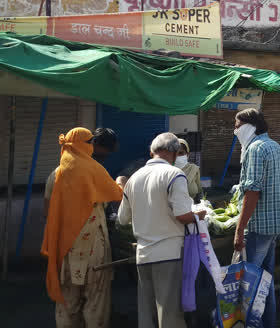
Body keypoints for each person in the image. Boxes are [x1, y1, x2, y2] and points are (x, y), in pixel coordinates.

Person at [117, 132, 204, 328]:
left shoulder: (134, 178)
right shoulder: (174, 175)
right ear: (174, 153)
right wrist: (199, 216)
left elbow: (123, 219)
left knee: (147, 314)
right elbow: (182, 215)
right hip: (169, 254)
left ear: (151, 152)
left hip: (142, 255)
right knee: (169, 314)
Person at [41, 128, 125, 328]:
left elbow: (47, 212)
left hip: (64, 248)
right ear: (86, 145)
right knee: (95, 300)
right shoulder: (93, 169)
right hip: (93, 248)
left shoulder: (56, 174)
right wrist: (121, 182)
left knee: (67, 300)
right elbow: (117, 194)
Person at [232, 108, 280, 328]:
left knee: (250, 283)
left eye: (236, 126)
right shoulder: (274, 146)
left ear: (248, 126)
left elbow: (253, 192)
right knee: (266, 281)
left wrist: (239, 228)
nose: (234, 130)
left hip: (258, 226)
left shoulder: (255, 149)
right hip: (273, 225)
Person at [44, 127, 118, 217]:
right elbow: (113, 196)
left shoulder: (55, 174)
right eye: (90, 143)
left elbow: (47, 212)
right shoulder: (96, 173)